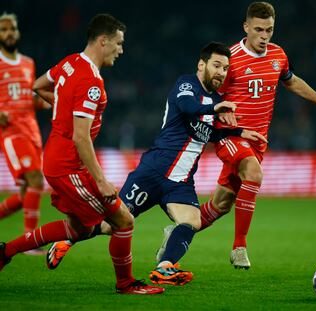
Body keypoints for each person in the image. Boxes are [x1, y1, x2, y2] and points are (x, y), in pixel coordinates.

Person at [44, 42, 267, 285]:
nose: (221, 72)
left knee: (192, 221)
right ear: (201, 65)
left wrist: (238, 132)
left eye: (225, 68)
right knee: (110, 226)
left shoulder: (217, 101)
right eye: (216, 65)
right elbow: (187, 107)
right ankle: (67, 239)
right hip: (153, 172)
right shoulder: (187, 85)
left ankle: (165, 267)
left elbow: (207, 133)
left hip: (180, 182)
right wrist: (215, 108)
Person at [0, 13, 164, 295]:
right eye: (119, 43)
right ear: (103, 41)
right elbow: (80, 137)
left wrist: (60, 107)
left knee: (78, 229)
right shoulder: (91, 81)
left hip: (56, 158)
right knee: (124, 221)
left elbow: (38, 86)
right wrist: (101, 180)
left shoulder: (69, 62)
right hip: (68, 165)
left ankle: (6, 251)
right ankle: (126, 284)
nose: (121, 50)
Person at [195, 2, 316, 269]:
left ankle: (179, 231)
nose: (264, 36)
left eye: (269, 30)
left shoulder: (278, 55)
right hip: (230, 136)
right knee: (253, 174)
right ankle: (239, 248)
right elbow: (208, 92)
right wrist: (219, 113)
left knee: (221, 205)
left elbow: (292, 82)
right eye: (258, 29)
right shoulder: (229, 58)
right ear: (246, 27)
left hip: (257, 141)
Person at [0, 13, 48, 253]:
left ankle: (28, 239)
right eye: (4, 29)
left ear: (18, 32)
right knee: (36, 181)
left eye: (12, 29)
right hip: (11, 133)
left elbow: (28, 96)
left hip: (32, 131)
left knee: (23, 196)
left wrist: (46, 101)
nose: (9, 33)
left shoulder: (28, 63)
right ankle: (30, 241)